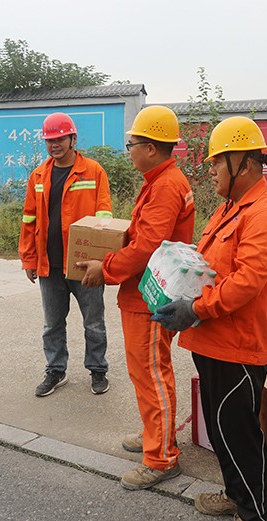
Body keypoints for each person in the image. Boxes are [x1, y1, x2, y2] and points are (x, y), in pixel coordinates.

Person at [152, 116, 267, 521]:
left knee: (238, 432)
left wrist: (194, 308)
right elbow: (209, 266)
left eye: (216, 162)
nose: (210, 170)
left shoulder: (264, 213)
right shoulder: (230, 207)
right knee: (220, 427)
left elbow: (246, 282)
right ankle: (236, 494)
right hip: (212, 339)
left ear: (242, 163)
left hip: (237, 345)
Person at [79, 105, 195, 490]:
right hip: (143, 294)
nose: (128, 151)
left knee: (151, 374)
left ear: (151, 148)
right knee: (146, 373)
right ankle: (155, 435)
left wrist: (105, 268)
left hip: (151, 299)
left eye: (132, 145)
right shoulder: (159, 180)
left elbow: (148, 247)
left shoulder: (165, 185)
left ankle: (161, 458)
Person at [20, 112, 113, 397]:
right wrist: (29, 259)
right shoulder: (38, 175)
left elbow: (104, 215)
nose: (55, 145)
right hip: (49, 264)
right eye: (49, 140)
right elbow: (29, 220)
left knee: (94, 323)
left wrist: (101, 260)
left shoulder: (93, 171)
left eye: (60, 139)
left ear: (73, 139)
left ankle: (97, 369)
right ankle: (55, 370)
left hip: (84, 265)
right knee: (52, 325)